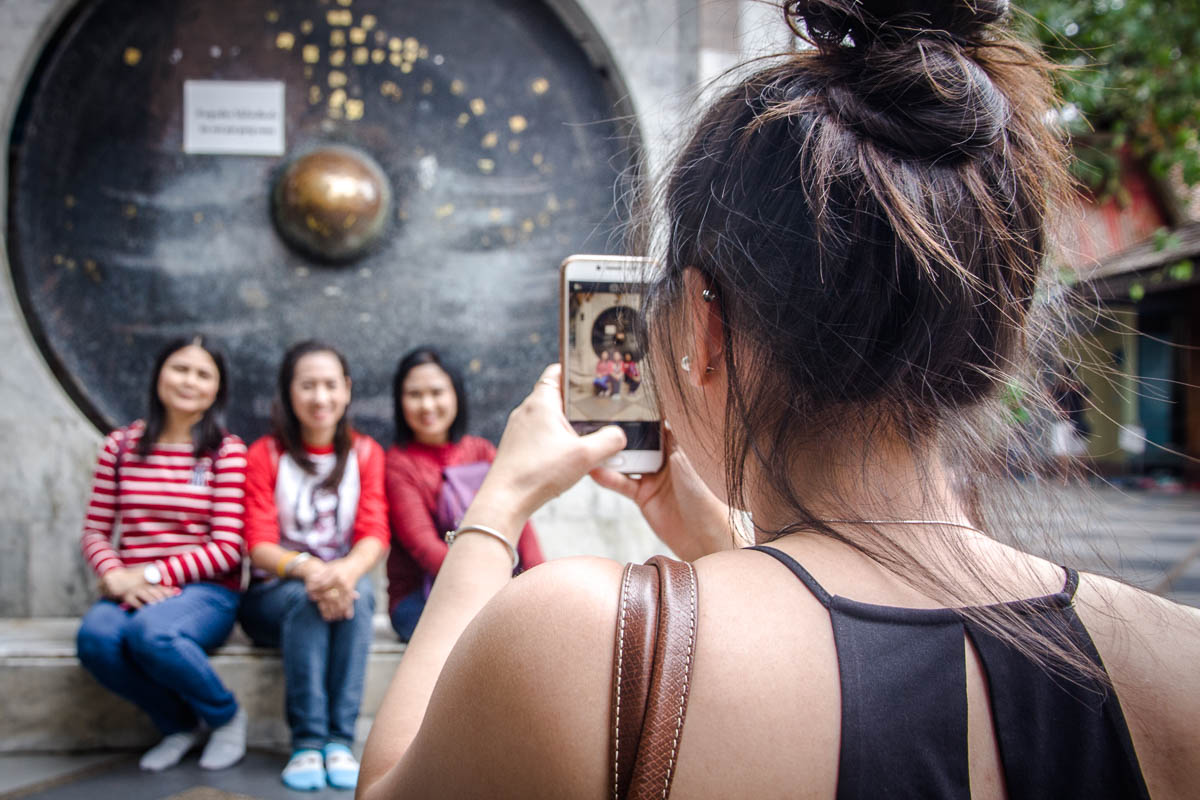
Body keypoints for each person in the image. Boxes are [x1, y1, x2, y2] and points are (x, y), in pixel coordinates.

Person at [358, 2, 1200, 798]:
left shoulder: (586, 644)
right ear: (996, 333)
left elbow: (388, 784)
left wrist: (494, 511)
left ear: (703, 327)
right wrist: (724, 547)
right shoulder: (1176, 661)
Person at [76, 336, 248, 772]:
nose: (189, 381)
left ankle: (226, 716)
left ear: (217, 389)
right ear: (158, 376)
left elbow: (227, 548)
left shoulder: (225, 452)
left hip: (205, 592)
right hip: (128, 588)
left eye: (203, 374)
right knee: (96, 639)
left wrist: (148, 576)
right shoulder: (120, 446)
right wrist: (116, 576)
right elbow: (96, 530)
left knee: (153, 634)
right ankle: (178, 724)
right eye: (180, 369)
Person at [239, 340, 388, 792]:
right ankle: (307, 742)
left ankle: (339, 741)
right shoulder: (265, 454)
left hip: (343, 584)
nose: (320, 397)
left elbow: (374, 531)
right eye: (307, 386)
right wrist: (312, 571)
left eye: (329, 385)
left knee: (357, 603)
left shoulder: (365, 454)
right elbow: (259, 543)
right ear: (289, 393)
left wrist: (343, 573)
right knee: (308, 603)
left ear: (346, 390)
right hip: (272, 595)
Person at [384, 347, 545, 641]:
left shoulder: (482, 452)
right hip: (422, 599)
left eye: (436, 392)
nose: (427, 405)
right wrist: (491, 588)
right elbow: (424, 548)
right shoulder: (399, 464)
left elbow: (521, 522)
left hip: (495, 590)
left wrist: (539, 584)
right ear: (400, 401)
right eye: (415, 395)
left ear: (455, 394)